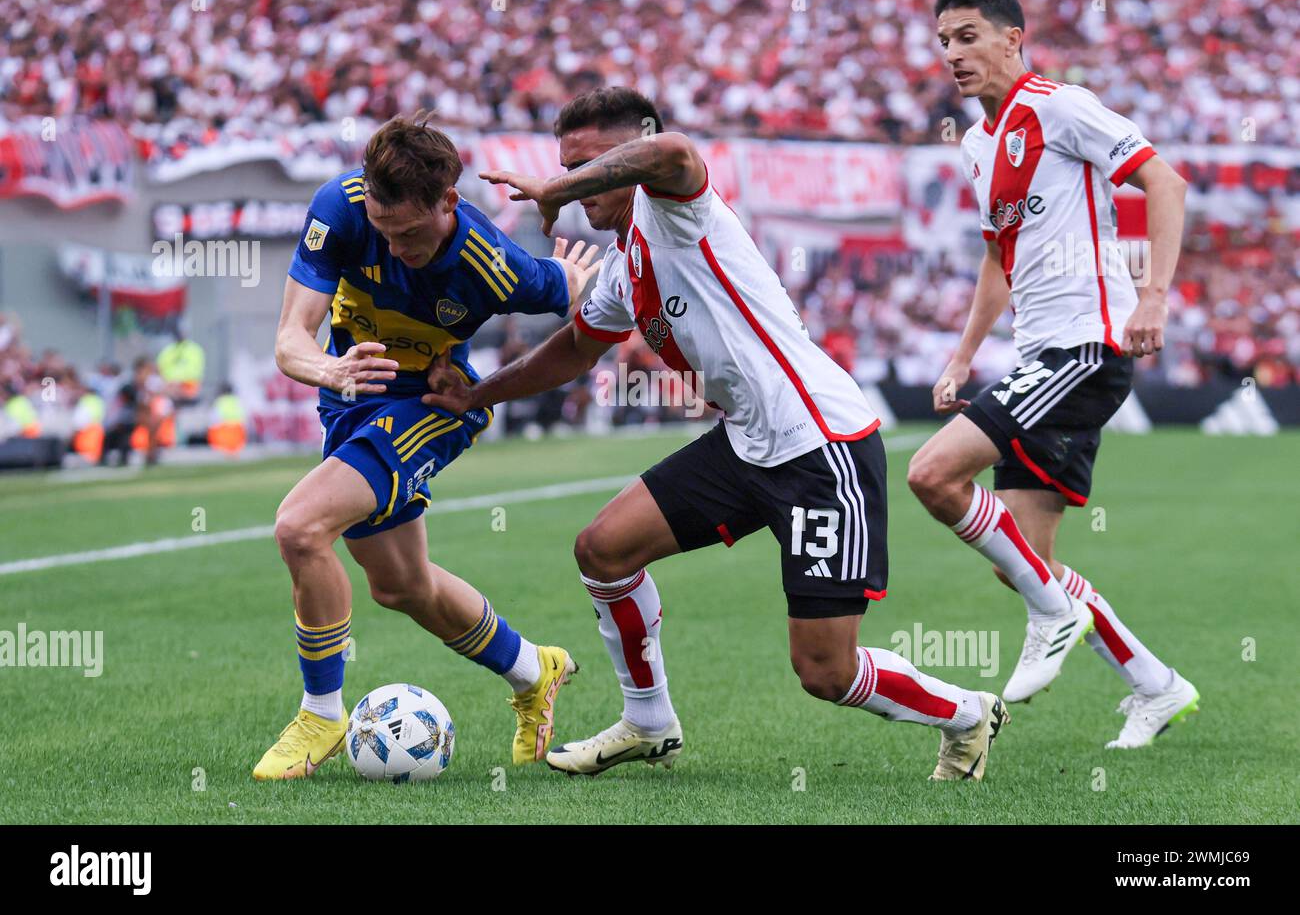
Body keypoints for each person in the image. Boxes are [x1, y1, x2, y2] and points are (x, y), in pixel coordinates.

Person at [426, 88, 1008, 781]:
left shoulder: (673, 207)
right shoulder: (622, 265)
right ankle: (649, 722)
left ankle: (967, 713)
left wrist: (557, 183)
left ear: (625, 156)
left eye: (591, 165)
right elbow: (574, 351)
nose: (579, 186)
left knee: (824, 670)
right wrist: (478, 394)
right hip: (746, 443)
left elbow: (672, 151)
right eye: (566, 166)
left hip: (821, 447)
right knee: (603, 551)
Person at [253, 111, 601, 780]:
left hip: (433, 404)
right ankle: (537, 669)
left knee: (300, 528)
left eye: (409, 232)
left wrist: (569, 283)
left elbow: (566, 291)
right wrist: (331, 370)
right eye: (384, 231)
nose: (394, 245)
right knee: (400, 586)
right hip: (350, 395)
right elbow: (290, 337)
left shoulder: (493, 264)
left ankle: (320, 713)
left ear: (448, 201)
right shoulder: (342, 208)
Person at [906, 0, 1198, 749]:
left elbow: (1164, 181)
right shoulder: (977, 143)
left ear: (1013, 38)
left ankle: (1053, 614)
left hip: (1085, 347)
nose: (953, 55)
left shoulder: (1060, 106)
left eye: (968, 37)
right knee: (1021, 562)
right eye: (943, 41)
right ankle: (1156, 686)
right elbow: (999, 260)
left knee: (933, 476)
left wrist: (1153, 298)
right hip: (1042, 354)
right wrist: (963, 354)